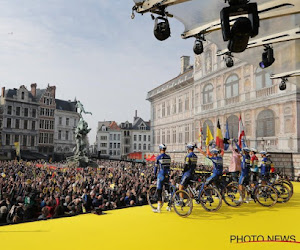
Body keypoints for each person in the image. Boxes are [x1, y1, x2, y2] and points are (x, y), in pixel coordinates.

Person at [152, 144, 171, 213]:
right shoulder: (168, 157)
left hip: (161, 175)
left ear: (160, 149)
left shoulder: (158, 157)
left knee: (159, 191)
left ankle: (159, 208)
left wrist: (154, 175)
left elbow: (156, 168)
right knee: (167, 191)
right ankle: (169, 206)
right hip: (167, 175)